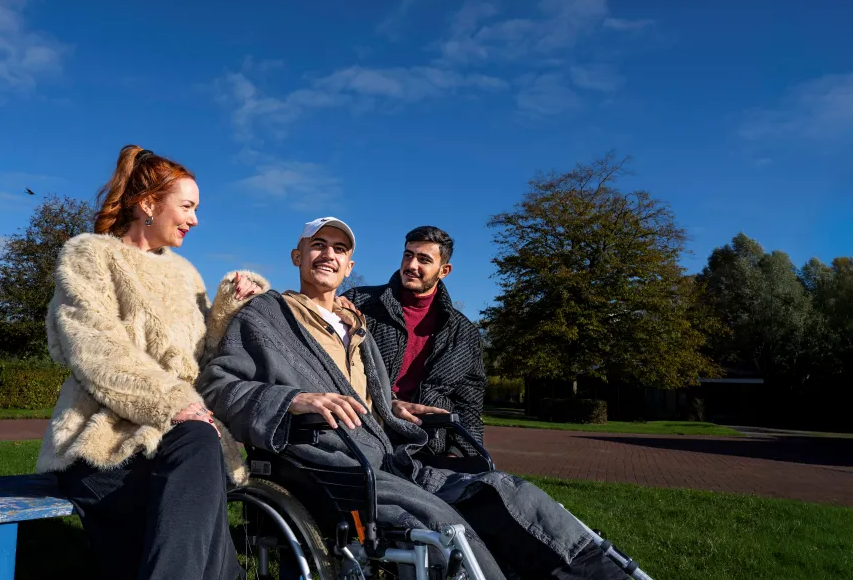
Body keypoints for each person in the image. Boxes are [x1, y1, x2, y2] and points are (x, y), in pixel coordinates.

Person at [198, 217, 627, 580]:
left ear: (350, 266)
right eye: (318, 245)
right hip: (330, 465)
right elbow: (218, 385)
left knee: (504, 491)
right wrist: (292, 399)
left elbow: (389, 394)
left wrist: (390, 407)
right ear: (297, 256)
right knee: (444, 526)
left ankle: (603, 569)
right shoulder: (266, 316)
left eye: (339, 249)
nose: (328, 254)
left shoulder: (358, 325)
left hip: (391, 454)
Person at [37, 144, 268, 580]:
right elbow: (95, 350)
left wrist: (227, 310)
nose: (195, 219)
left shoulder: (185, 273)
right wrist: (170, 401)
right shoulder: (90, 256)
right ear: (148, 204)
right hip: (102, 442)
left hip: (178, 443)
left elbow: (202, 358)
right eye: (187, 206)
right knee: (200, 452)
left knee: (198, 475)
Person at [342, 226, 486, 457]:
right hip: (365, 432)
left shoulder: (465, 333)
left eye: (424, 259)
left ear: (444, 270)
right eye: (408, 255)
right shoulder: (359, 303)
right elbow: (332, 368)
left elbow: (469, 404)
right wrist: (387, 404)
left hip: (431, 444)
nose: (411, 266)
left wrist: (459, 453)